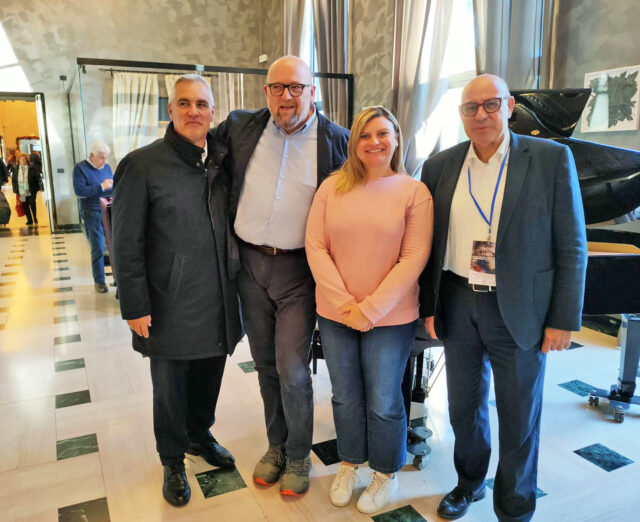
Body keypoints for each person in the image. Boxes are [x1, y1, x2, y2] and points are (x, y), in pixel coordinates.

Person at [418, 74, 587, 522]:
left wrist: (562, 318)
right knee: (463, 408)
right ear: (461, 115)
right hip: (457, 300)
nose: (481, 115)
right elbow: (429, 245)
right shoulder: (440, 166)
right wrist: (429, 307)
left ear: (509, 107)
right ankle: (469, 483)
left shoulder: (550, 159)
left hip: (520, 306)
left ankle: (514, 508)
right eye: (470, 107)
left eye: (490, 104)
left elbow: (572, 245)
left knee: (519, 415)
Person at [214, 55, 349, 496]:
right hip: (249, 266)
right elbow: (198, 149)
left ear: (313, 92)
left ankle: (297, 454)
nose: (286, 96)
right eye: (277, 87)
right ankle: (276, 446)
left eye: (295, 87)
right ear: (266, 92)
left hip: (299, 271)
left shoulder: (337, 141)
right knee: (266, 365)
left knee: (292, 368)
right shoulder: (241, 128)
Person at [112, 74, 243, 508]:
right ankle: (172, 460)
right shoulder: (142, 165)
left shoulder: (220, 161)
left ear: (212, 112)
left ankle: (199, 434)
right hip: (168, 301)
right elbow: (125, 243)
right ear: (170, 110)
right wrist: (134, 304)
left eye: (201, 104)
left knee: (210, 374)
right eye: (184, 103)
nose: (193, 111)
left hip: (218, 295)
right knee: (170, 387)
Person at [305, 106, 433, 513]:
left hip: (391, 319)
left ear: (396, 139)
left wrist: (371, 309)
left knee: (383, 399)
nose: (374, 141)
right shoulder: (331, 188)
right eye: (364, 135)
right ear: (354, 143)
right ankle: (349, 463)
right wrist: (346, 305)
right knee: (344, 396)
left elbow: (413, 258)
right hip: (336, 314)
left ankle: (384, 472)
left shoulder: (414, 192)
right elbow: (315, 246)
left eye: (382, 133)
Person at [72, 142, 113, 293]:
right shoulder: (80, 168)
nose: (105, 161)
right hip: (92, 211)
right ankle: (99, 281)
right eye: (102, 157)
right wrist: (101, 186)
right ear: (91, 156)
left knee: (114, 246)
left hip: (109, 208)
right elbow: (79, 191)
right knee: (98, 247)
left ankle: (117, 277)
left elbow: (112, 188)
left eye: (106, 157)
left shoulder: (107, 168)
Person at [12, 153, 42, 225]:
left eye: (24, 159)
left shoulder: (32, 167)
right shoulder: (16, 169)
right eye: (21, 159)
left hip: (32, 189)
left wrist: (41, 187)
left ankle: (34, 217)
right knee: (24, 205)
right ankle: (29, 219)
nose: (22, 160)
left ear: (27, 160)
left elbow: (38, 177)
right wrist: (15, 189)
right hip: (21, 190)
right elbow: (14, 180)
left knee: (32, 202)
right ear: (18, 160)